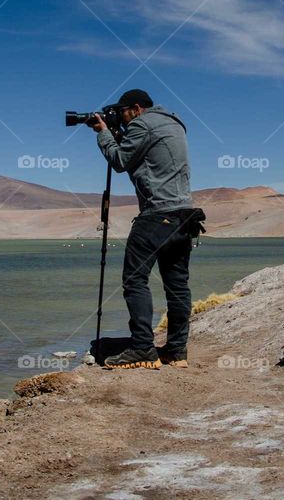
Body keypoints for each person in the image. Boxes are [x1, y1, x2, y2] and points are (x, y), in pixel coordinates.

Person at [89, 88, 200, 369]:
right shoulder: (173, 123)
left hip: (156, 215)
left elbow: (120, 161)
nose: (123, 120)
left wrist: (103, 133)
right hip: (184, 216)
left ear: (136, 108)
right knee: (177, 286)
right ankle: (176, 351)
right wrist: (118, 135)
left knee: (134, 280)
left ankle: (142, 350)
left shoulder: (142, 123)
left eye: (123, 113)